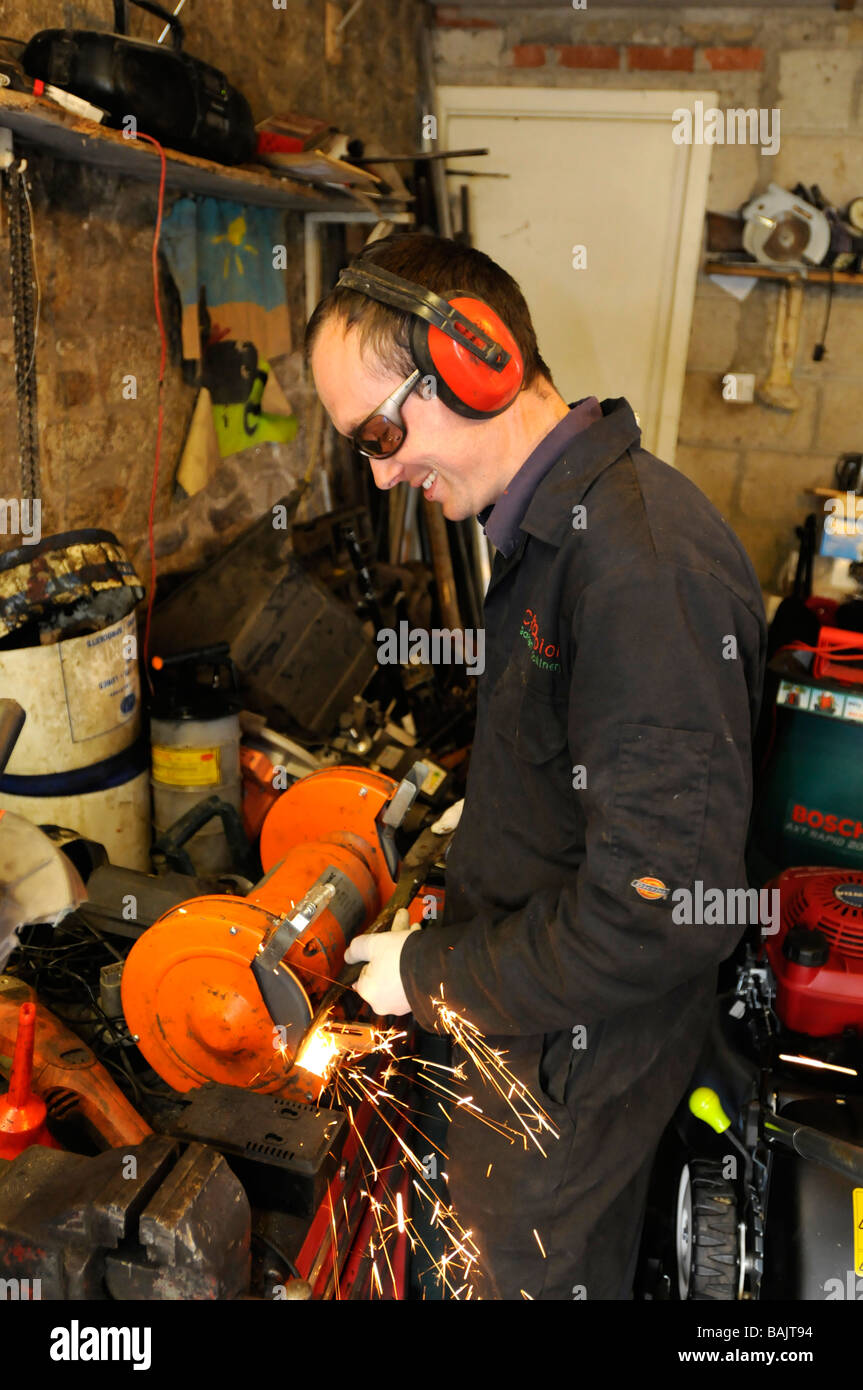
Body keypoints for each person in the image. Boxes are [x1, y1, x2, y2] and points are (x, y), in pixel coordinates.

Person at [306, 232, 767, 1300]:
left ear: (477, 360)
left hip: (573, 1069)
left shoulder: (640, 568)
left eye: (380, 431)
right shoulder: (557, 533)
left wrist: (428, 975)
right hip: (535, 1029)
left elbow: (660, 909)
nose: (380, 470)